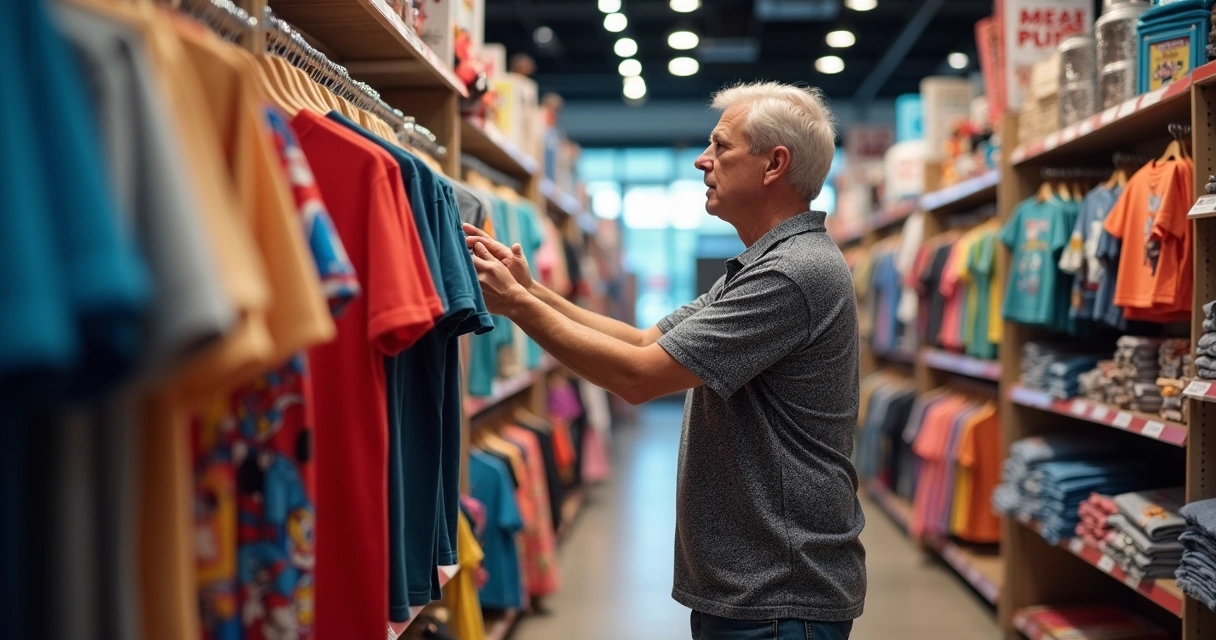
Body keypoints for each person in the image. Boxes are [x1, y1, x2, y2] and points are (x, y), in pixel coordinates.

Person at [464, 81, 865, 640]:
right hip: (758, 588)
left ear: (775, 164)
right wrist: (532, 293)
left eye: (721, 147)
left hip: (778, 595)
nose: (704, 160)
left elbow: (637, 377)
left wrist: (518, 308)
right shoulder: (763, 264)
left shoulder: (791, 273)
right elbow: (640, 341)